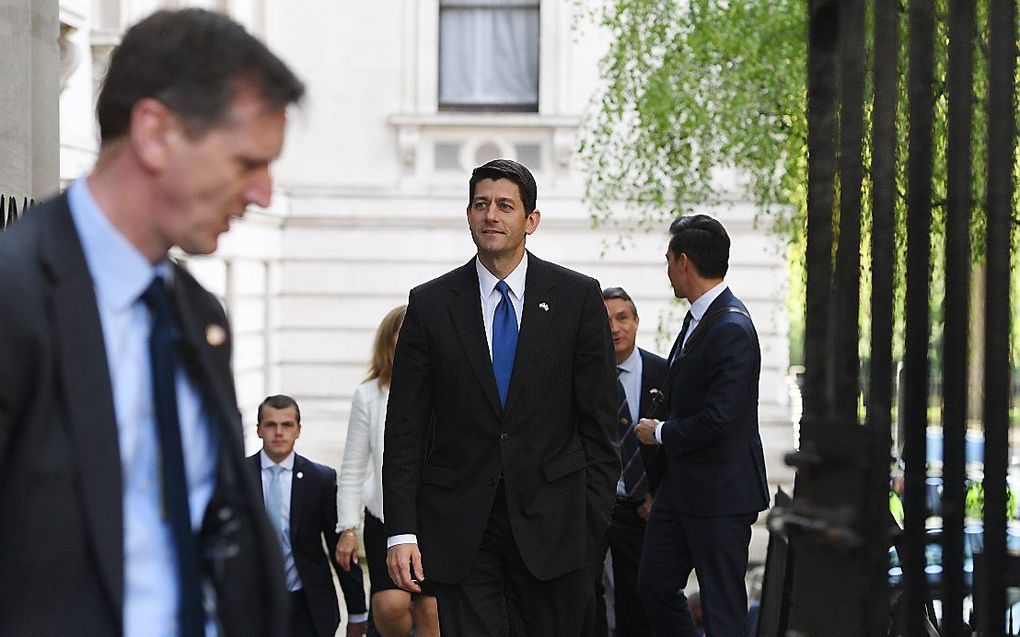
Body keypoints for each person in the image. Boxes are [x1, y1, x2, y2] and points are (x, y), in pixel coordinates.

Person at [0, 8, 304, 635]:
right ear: (156, 134)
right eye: (248, 162)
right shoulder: (14, 296)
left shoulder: (198, 317)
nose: (264, 194)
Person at [383, 159, 619, 635]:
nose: (491, 215)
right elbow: (405, 427)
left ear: (530, 220)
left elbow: (599, 424)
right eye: (481, 204)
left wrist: (590, 525)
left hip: (556, 529)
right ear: (469, 215)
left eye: (505, 206)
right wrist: (402, 531)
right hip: (460, 528)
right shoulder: (430, 304)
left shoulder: (577, 298)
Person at [634, 215, 769, 636]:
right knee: (654, 585)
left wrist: (658, 432)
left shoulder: (732, 326)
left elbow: (721, 420)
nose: (668, 270)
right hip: (682, 489)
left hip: (721, 492)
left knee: (722, 605)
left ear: (684, 262)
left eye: (669, 259)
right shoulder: (699, 318)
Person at [334, 305, 441, 637]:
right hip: (385, 518)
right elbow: (352, 468)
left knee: (430, 607)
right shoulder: (368, 396)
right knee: (390, 604)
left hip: (436, 521)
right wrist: (347, 528)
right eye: (401, 334)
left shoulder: (445, 390)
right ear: (389, 342)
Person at [249, 395, 369, 637]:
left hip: (306, 605)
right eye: (271, 425)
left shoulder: (320, 480)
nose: (279, 432)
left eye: (287, 425)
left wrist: (357, 614)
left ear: (299, 430)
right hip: (251, 603)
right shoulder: (237, 477)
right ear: (259, 430)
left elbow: (341, 550)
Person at [592, 287, 668, 637]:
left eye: (622, 318)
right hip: (592, 505)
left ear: (636, 321)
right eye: (605, 320)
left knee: (637, 598)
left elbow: (677, 447)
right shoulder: (583, 377)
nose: (614, 328)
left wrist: (660, 496)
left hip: (641, 508)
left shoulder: (663, 374)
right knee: (586, 597)